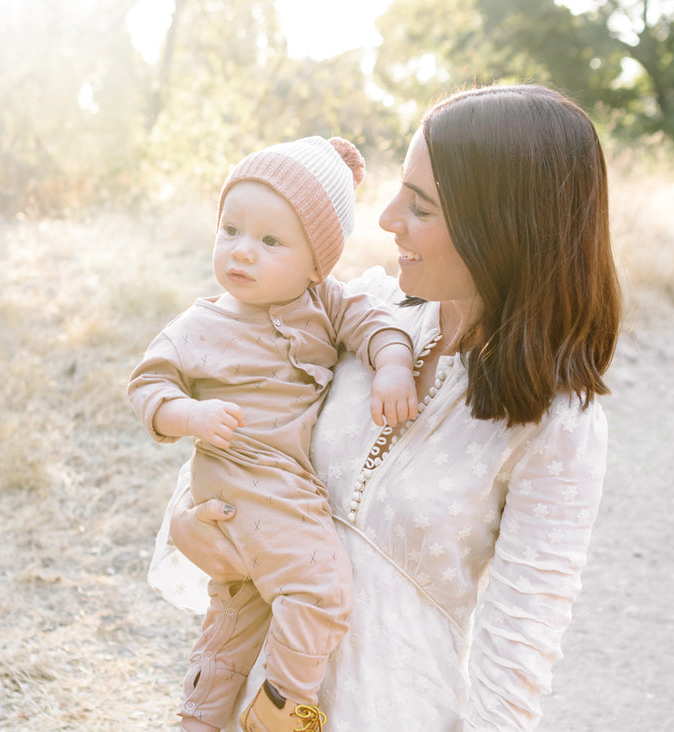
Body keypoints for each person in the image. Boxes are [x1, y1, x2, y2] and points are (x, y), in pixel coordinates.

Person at [149, 84, 622, 731]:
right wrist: (193, 518)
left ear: (503, 228)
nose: (387, 218)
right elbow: (237, 431)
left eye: (420, 206)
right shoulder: (356, 312)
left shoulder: (557, 424)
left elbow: (518, 648)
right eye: (399, 189)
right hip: (249, 695)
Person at [128, 136, 419, 731]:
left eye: (269, 241)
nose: (242, 252)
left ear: (317, 262)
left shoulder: (327, 302)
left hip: (271, 499)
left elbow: (378, 324)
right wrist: (188, 415)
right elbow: (146, 386)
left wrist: (392, 364)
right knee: (321, 590)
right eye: (230, 229)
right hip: (250, 484)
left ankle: (199, 719)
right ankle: (281, 709)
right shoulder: (200, 322)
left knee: (233, 623)